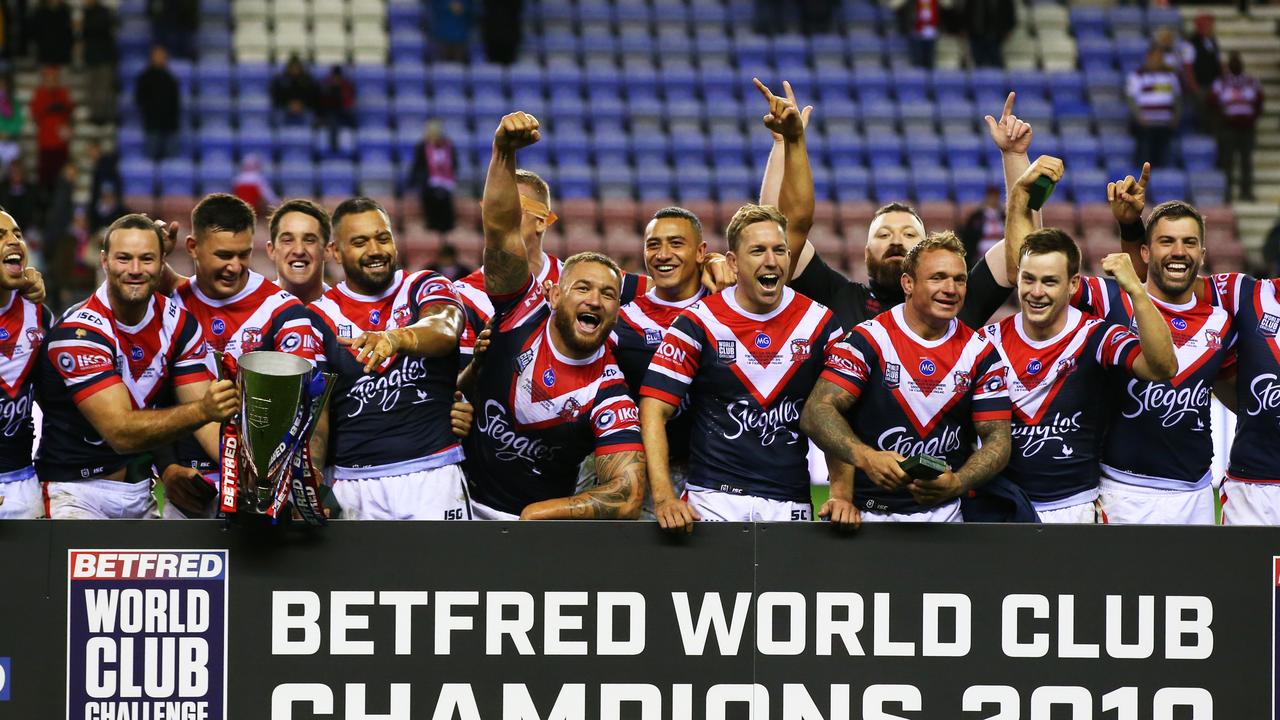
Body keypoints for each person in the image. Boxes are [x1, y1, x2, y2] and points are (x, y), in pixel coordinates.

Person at [462, 111, 646, 520]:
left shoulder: (608, 391)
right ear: (554, 293)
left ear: (618, 311)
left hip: (531, 528)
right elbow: (499, 228)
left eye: (608, 294)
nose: (595, 300)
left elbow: (629, 491)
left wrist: (541, 513)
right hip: (456, 501)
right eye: (582, 288)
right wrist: (503, 153)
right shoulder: (518, 309)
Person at [986, 161, 1178, 523]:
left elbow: (1164, 366)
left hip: (1073, 509)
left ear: (1073, 285)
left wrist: (1136, 289)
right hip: (1003, 507)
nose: (1036, 292)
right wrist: (1018, 198)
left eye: (1050, 282)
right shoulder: (988, 342)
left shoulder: (1097, 336)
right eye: (1028, 280)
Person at [640, 202, 847, 529]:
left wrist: (842, 492)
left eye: (779, 250)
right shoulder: (698, 322)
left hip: (790, 499)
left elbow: (837, 410)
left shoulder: (820, 323)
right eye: (758, 250)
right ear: (733, 263)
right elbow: (654, 407)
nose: (771, 260)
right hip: (712, 498)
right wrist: (665, 496)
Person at [764, 84, 1027, 333]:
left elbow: (1023, 250)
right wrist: (782, 144)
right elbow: (773, 233)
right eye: (884, 234)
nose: (897, 241)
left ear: (928, 249)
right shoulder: (837, 298)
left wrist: (1014, 155)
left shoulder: (958, 299)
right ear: (866, 252)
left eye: (909, 234)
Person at [35, 214, 238, 519]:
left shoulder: (180, 324)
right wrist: (204, 411)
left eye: (146, 259)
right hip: (74, 493)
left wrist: (252, 475)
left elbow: (210, 424)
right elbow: (120, 433)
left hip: (139, 490)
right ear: (104, 261)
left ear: (162, 262)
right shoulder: (79, 333)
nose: (134, 270)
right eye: (123, 259)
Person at [800, 233, 1013, 522]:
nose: (951, 289)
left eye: (959, 279)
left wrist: (958, 482)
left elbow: (998, 439)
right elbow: (816, 411)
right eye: (937, 278)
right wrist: (867, 458)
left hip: (947, 517)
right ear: (908, 283)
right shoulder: (869, 339)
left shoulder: (981, 352)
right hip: (868, 517)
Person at [1077, 198, 1235, 525]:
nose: (1179, 251)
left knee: (1195, 579)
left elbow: (1239, 397)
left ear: (1202, 255)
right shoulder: (1110, 299)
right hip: (1121, 491)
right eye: (1167, 241)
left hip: (1195, 494)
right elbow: (1028, 270)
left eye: (1189, 242)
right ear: (1145, 252)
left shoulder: (1222, 321)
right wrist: (1021, 175)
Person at [309, 197, 469, 520]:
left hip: (433, 474)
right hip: (352, 483)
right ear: (335, 252)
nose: (375, 250)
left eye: (383, 238)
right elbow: (318, 417)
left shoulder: (423, 284)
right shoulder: (318, 316)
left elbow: (446, 326)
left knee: (446, 572)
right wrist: (311, 475)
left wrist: (397, 338)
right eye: (360, 242)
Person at [164, 194, 322, 518]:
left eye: (243, 254)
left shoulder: (284, 311)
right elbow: (154, 397)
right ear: (192, 247)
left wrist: (294, 478)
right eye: (223, 255)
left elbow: (303, 408)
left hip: (265, 487)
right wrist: (166, 467)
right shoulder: (170, 305)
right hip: (190, 489)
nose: (234, 267)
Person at [0, 209, 53, 518]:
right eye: (1, 236)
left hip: (24, 483)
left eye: (17, 234)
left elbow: (53, 401)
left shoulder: (40, 316)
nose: (14, 241)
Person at [1211, 52, 1264, 203]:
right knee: (1227, 161)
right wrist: (1224, 118)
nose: (1236, 64)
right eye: (1233, 62)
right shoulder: (1221, 82)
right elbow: (1213, 101)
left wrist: (1252, 118)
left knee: (1246, 161)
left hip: (1247, 128)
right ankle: (1226, 194)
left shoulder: (1251, 81)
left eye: (1237, 61)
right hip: (1228, 127)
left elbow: (1259, 100)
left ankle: (1246, 192)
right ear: (1228, 65)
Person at [267, 198, 331, 304]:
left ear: (327, 251)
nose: (299, 250)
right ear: (271, 250)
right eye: (287, 240)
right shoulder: (252, 313)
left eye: (309, 240)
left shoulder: (348, 315)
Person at [1126, 46, 1181, 168]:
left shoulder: (1170, 76)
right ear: (1148, 57)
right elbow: (1131, 99)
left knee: (1163, 161)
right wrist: (1139, 118)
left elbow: (1177, 98)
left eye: (1161, 58)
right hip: (1146, 126)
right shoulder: (1137, 75)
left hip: (1165, 126)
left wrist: (1175, 118)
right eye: (1156, 57)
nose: (1159, 60)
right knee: (1145, 162)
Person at [409, 120, 458, 237]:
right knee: (430, 194)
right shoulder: (421, 146)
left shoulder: (448, 146)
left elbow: (454, 164)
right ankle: (432, 224)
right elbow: (417, 166)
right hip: (428, 183)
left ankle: (446, 226)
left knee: (444, 196)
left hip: (446, 183)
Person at [29, 65, 74, 189]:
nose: (51, 81)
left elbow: (70, 110)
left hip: (61, 144)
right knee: (45, 177)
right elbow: (34, 113)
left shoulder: (63, 93)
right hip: (45, 143)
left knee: (63, 177)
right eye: (49, 78)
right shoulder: (39, 93)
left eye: (54, 78)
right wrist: (47, 108)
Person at [133, 45, 180, 161]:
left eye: (163, 56)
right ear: (152, 57)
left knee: (171, 165)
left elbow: (176, 103)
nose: (160, 58)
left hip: (169, 127)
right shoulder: (144, 78)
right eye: (158, 56)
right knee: (150, 162)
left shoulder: (170, 79)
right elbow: (139, 99)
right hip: (152, 125)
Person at [79, 0, 117, 125]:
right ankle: (94, 114)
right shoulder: (85, 12)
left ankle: (103, 115)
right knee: (91, 87)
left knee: (104, 88)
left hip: (104, 57)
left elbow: (102, 28)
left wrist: (83, 25)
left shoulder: (104, 12)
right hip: (91, 57)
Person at [959, 0, 1016, 69]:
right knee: (978, 63)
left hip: (995, 36)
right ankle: (979, 78)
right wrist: (964, 29)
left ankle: (998, 77)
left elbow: (1009, 11)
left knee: (996, 63)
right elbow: (966, 11)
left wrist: (1009, 28)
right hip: (976, 35)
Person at [959, 185, 1005, 261]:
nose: (993, 199)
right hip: (981, 256)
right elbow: (969, 237)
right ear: (987, 197)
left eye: (995, 196)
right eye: (991, 196)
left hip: (1000, 255)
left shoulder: (1003, 216)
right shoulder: (977, 216)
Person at [271, 54, 318, 127]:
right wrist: (288, 104)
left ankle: (309, 136)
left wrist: (302, 104)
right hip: (285, 107)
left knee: (311, 117)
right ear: (289, 67)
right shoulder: (281, 80)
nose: (295, 69)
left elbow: (313, 95)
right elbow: (276, 95)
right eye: (293, 67)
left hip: (304, 107)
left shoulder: (307, 80)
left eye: (296, 67)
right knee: (278, 116)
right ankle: (278, 137)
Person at [893, 0, 942, 70]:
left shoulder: (935, 2)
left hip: (931, 33)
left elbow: (938, 15)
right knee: (917, 60)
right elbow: (904, 13)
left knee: (929, 60)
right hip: (917, 33)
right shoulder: (913, 2)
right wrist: (910, 27)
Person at [318, 65, 355, 153]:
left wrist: (342, 100)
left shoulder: (347, 86)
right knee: (332, 120)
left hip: (343, 112)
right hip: (327, 113)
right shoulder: (324, 85)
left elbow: (350, 102)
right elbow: (319, 101)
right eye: (334, 77)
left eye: (337, 77)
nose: (336, 79)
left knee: (352, 120)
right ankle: (333, 148)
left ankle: (352, 152)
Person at [29, 0, 72, 67]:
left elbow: (68, 31)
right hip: (44, 48)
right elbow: (35, 29)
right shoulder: (40, 9)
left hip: (61, 49)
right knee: (46, 68)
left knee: (59, 70)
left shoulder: (65, 9)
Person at [0, 76, 25, 170]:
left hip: (11, 143)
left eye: (3, 86)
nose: (1, 89)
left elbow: (19, 123)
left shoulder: (15, 103)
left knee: (12, 171)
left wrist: (7, 133)